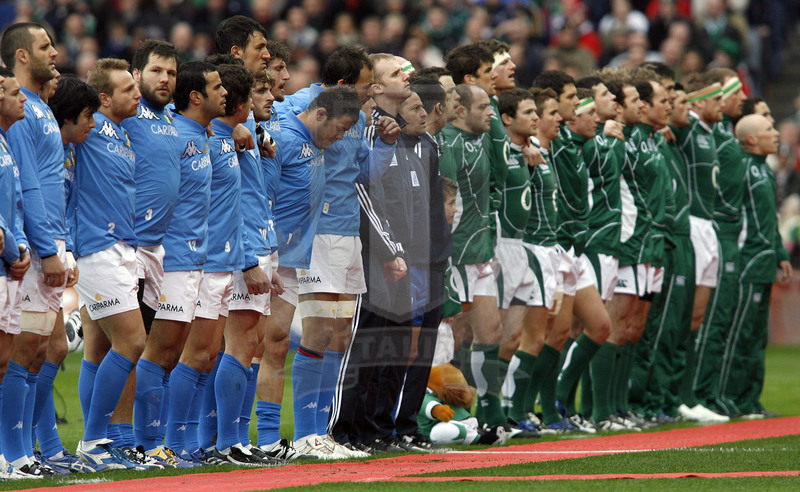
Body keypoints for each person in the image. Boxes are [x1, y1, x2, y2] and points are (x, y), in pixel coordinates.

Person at [263, 86, 362, 458]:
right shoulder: (286, 136)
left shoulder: (312, 141)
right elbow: (263, 194)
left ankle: (314, 434)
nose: (340, 138)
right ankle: (283, 437)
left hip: (298, 253)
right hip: (278, 254)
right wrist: (263, 252)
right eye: (339, 128)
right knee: (265, 343)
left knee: (321, 337)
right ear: (320, 114)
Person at [0, 22, 70, 478]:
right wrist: (42, 248)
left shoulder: (37, 109)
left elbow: (49, 185)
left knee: (42, 349)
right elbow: (24, 186)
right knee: (24, 351)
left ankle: (29, 451)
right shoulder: (18, 115)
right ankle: (16, 453)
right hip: (28, 247)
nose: (55, 52)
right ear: (22, 56)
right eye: (45, 46)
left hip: (42, 239)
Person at [71, 58, 146, 470]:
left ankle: (105, 443)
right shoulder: (90, 128)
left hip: (121, 247)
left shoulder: (121, 131)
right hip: (97, 247)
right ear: (103, 98)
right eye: (128, 88)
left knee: (98, 350)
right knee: (133, 341)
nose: (137, 93)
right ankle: (92, 443)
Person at [160, 61, 227, 464]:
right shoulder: (175, 135)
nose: (225, 94)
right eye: (217, 86)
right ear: (196, 96)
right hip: (174, 258)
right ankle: (158, 441)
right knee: (166, 354)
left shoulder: (201, 134)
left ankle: (182, 443)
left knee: (200, 355)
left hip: (199, 256)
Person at [36, 74, 100, 473]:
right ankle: (24, 447)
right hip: (33, 256)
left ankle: (44, 447)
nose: (92, 125)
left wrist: (67, 249)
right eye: (88, 117)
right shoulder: (43, 147)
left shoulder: (68, 150)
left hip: (54, 253)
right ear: (69, 117)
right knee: (31, 354)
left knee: (50, 350)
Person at [721, 114, 792, 417]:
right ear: (751, 139)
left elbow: (769, 220)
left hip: (764, 260)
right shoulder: (743, 170)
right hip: (747, 261)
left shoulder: (765, 170)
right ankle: (729, 398)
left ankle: (751, 400)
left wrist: (780, 254)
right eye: (768, 130)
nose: (776, 134)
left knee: (756, 336)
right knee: (740, 333)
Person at [675, 73, 729, 423]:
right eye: (716, 99)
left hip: (707, 226)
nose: (721, 105)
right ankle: (674, 395)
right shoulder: (689, 127)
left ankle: (688, 395)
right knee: (682, 317)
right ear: (697, 102)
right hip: (691, 223)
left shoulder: (710, 133)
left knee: (696, 318)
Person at [0, 67, 35, 478]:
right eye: (14, 92)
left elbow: (14, 207)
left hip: (10, 267)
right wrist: (14, 249)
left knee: (4, 363)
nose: (22, 97)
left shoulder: (7, 142)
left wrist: (20, 248)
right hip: (5, 264)